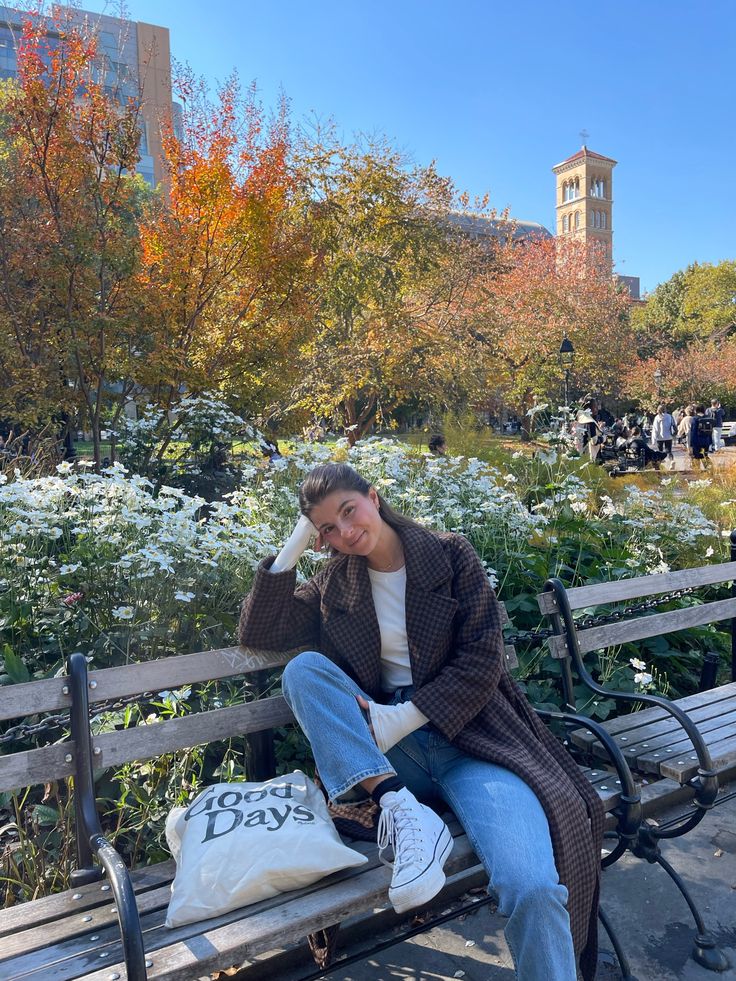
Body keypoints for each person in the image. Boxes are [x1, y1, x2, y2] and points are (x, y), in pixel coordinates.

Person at [239, 463, 603, 981]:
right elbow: (260, 631)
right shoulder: (334, 581)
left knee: (534, 886)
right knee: (304, 670)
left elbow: (483, 658)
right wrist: (299, 538)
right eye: (327, 529)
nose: (344, 532)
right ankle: (400, 807)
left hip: (472, 743)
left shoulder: (449, 554)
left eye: (348, 511)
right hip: (388, 762)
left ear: (373, 496)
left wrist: (402, 717)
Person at [689, 405, 712, 471]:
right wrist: (710, 441)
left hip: (697, 441)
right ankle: (709, 469)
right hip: (706, 440)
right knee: (705, 455)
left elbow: (693, 432)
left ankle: (696, 471)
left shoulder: (695, 419)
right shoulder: (708, 418)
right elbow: (710, 431)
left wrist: (691, 444)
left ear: (696, 410)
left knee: (696, 457)